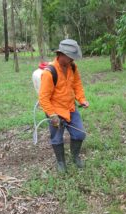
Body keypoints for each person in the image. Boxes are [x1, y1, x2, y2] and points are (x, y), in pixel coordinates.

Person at [39, 39, 89, 172]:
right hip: (55, 111)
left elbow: (77, 84)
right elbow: (43, 98)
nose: (73, 60)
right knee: (56, 138)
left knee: (79, 134)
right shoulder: (49, 73)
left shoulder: (72, 67)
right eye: (70, 57)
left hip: (70, 108)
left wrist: (81, 99)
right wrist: (52, 115)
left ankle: (75, 157)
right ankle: (61, 162)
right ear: (61, 54)